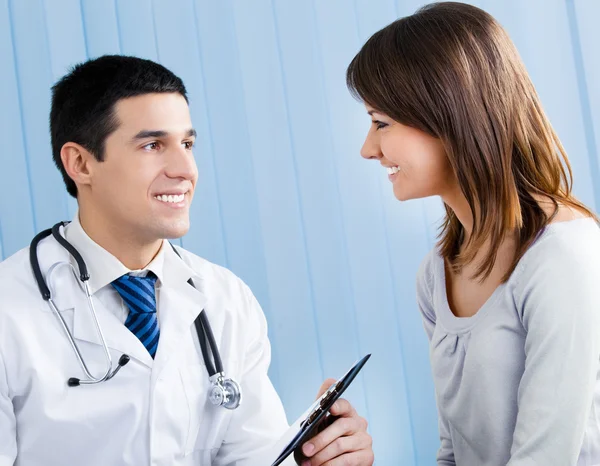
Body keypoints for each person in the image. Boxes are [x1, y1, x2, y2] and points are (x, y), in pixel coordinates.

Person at [0, 55, 373, 466]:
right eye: (152, 145)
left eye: (188, 144)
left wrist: (319, 456)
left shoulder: (226, 298)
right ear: (81, 163)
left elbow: (252, 457)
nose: (185, 169)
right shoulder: (9, 308)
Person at [347, 2, 600, 465]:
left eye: (381, 122)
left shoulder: (563, 257)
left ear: (449, 113)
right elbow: (454, 453)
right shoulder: (436, 275)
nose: (369, 149)